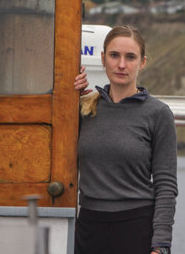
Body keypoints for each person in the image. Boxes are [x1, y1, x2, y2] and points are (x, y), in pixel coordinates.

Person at [72, 25, 177, 254]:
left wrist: (161, 246)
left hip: (136, 230)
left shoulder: (158, 114)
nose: (121, 65)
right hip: (88, 229)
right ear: (103, 59)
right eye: (114, 55)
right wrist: (68, 97)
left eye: (130, 57)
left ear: (142, 63)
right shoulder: (83, 109)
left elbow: (166, 186)